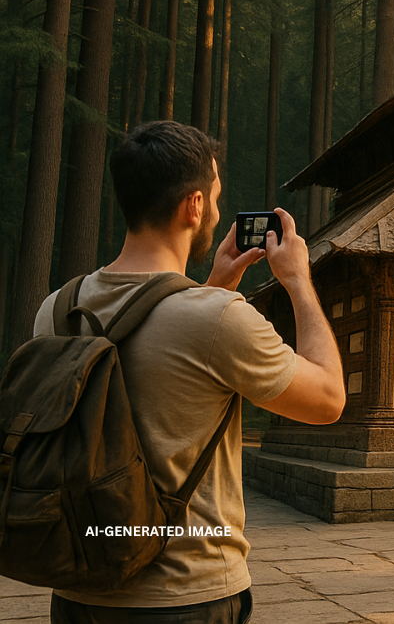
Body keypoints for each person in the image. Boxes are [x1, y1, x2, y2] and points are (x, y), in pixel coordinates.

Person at [32, 121, 346, 624]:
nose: (217, 211)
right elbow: (328, 399)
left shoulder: (56, 308)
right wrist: (299, 283)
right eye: (215, 197)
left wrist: (215, 285)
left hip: (77, 588)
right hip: (187, 596)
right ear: (194, 205)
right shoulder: (218, 319)